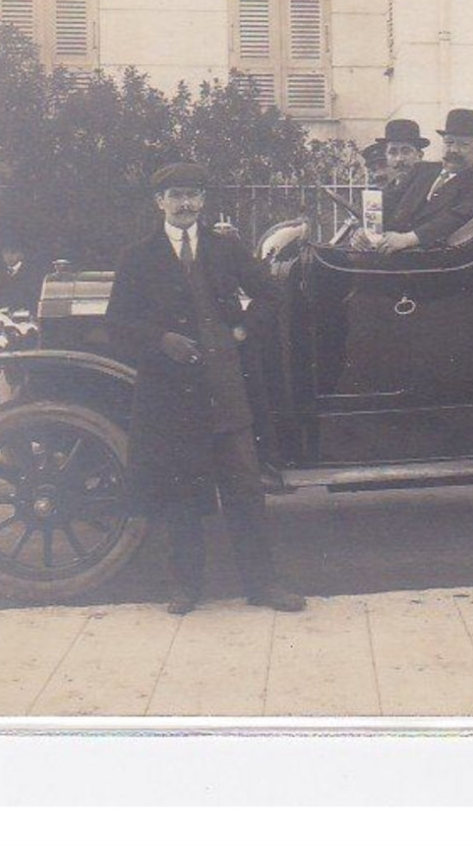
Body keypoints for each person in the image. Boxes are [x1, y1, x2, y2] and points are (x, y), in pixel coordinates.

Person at [105, 162, 305, 616]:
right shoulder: (138, 256)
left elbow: (271, 294)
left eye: (193, 194)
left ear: (203, 201)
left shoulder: (225, 248)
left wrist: (241, 331)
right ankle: (185, 589)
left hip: (227, 392)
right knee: (181, 498)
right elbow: (117, 324)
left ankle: (263, 587)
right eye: (175, 195)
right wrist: (160, 340)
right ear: (159, 202)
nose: (185, 204)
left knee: (246, 492)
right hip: (172, 398)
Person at [358, 109, 473, 252]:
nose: (453, 150)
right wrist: (364, 229)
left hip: (430, 259)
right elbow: (388, 199)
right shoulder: (422, 170)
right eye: (449, 142)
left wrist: (407, 239)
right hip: (389, 250)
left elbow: (457, 218)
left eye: (463, 145)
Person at [375, 118, 436, 212]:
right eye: (393, 152)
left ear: (419, 155)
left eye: (406, 152)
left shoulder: (430, 189)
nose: (399, 159)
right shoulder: (385, 193)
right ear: (386, 157)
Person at [0, 235, 46, 317]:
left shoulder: (31, 274)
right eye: (6, 253)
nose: (9, 256)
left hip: (24, 317)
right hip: (1, 317)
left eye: (13, 253)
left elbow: (33, 299)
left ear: (21, 255)